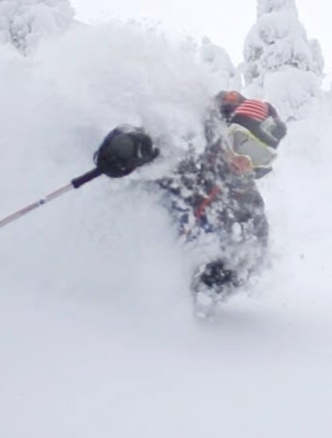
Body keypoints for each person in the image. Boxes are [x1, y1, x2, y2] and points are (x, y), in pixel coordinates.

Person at [92, 91, 288, 314]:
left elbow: (252, 255)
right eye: (242, 143)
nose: (245, 161)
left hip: (154, 282)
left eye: (259, 156)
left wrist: (224, 276)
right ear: (226, 130)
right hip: (120, 231)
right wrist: (126, 146)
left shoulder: (246, 202)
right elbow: (151, 135)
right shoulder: (188, 141)